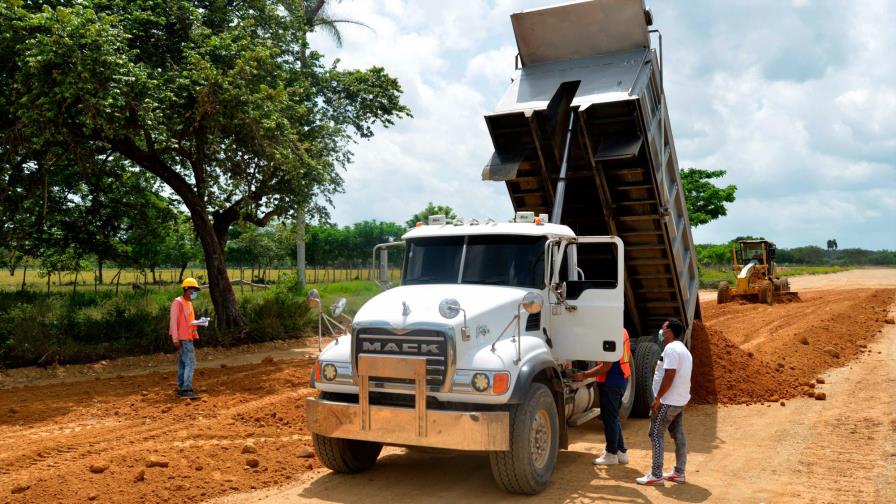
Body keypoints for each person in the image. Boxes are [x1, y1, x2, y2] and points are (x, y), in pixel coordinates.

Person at [636, 318, 692, 486]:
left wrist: (658, 398)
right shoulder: (683, 350)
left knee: (655, 433)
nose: (661, 332)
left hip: (668, 401)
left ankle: (656, 474)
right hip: (679, 400)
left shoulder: (671, 349)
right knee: (678, 435)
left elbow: (669, 374)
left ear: (670, 332)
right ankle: (679, 472)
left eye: (663, 329)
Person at [572, 329, 632, 465]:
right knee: (614, 417)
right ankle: (621, 451)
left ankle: (611, 453)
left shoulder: (609, 334)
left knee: (609, 419)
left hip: (610, 382)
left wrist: (584, 375)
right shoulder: (622, 331)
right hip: (621, 379)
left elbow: (606, 366)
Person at [170, 278, 203, 399]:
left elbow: (190, 322)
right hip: (182, 338)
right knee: (190, 362)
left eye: (195, 290)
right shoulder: (177, 302)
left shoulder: (189, 304)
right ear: (186, 289)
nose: (194, 292)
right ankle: (186, 388)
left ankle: (181, 387)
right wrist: (175, 338)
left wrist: (199, 323)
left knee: (184, 363)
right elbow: (173, 322)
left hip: (188, 337)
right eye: (192, 289)